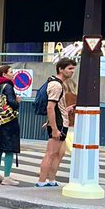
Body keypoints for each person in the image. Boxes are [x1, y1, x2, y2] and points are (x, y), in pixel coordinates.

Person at [36, 58, 76, 188]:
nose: (72, 71)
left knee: (60, 153)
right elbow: (50, 107)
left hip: (60, 122)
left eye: (73, 68)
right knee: (51, 153)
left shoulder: (58, 83)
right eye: (70, 68)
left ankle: (51, 180)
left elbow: (56, 106)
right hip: (58, 124)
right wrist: (53, 127)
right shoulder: (56, 85)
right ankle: (41, 182)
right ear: (61, 69)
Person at [0, 65, 20, 186]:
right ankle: (7, 177)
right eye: (11, 72)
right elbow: (12, 102)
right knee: (9, 149)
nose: (13, 74)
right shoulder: (8, 86)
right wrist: (17, 101)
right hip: (8, 122)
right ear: (4, 75)